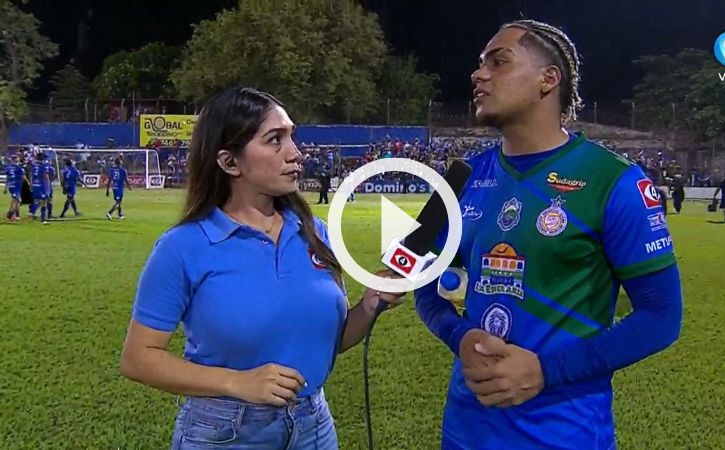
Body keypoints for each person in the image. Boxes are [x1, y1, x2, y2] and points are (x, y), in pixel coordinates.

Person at [414, 20, 683, 449]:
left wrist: (546, 371)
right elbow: (421, 282)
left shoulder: (615, 181)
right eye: (480, 64)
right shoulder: (459, 177)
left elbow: (662, 317)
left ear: (548, 79)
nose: (479, 74)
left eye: (499, 62)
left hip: (564, 435)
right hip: (466, 431)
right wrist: (459, 335)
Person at [119, 87, 404, 450]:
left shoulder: (315, 232)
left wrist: (367, 307)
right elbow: (138, 358)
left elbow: (327, 341)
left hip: (314, 426)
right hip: (226, 432)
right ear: (230, 162)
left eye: (292, 136)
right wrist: (237, 382)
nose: (296, 153)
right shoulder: (182, 247)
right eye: (275, 140)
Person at [3, 154, 28, 221]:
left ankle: (16, 215)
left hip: (11, 186)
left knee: (16, 200)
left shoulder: (8, 168)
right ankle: (9, 215)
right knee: (18, 200)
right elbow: (24, 178)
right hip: (17, 186)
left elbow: (7, 178)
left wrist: (5, 187)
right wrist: (28, 183)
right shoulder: (20, 168)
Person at [29, 152, 50, 224]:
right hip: (41, 185)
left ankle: (31, 214)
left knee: (36, 200)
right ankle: (43, 218)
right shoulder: (44, 166)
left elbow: (31, 176)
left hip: (35, 185)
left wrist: (31, 185)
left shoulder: (34, 166)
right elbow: (46, 177)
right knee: (44, 201)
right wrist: (48, 187)